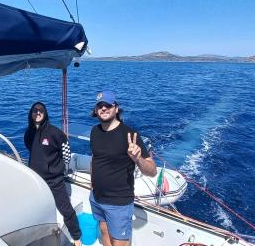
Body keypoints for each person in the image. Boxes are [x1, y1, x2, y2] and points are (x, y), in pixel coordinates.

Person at [89, 91, 157, 246]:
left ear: (116, 108)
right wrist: (92, 184)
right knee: (104, 231)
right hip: (97, 197)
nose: (104, 109)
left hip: (119, 202)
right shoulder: (95, 131)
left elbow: (152, 171)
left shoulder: (130, 134)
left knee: (119, 242)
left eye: (108, 105)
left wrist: (137, 158)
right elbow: (95, 158)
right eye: (100, 106)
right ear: (96, 110)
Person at [24, 102, 82, 246]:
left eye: (41, 110)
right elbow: (29, 147)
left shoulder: (55, 133)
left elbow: (66, 153)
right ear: (31, 114)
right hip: (36, 179)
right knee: (35, 208)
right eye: (35, 110)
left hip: (54, 180)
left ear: (45, 113)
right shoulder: (29, 133)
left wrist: (59, 168)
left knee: (65, 209)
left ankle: (76, 238)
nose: (38, 113)